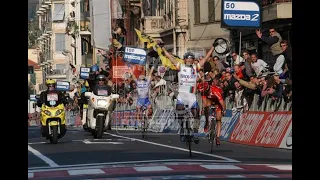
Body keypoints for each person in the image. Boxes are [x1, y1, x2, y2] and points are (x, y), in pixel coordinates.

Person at [160, 41, 215, 136]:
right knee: (180, 113)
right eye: (187, 59)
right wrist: (163, 48)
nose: (189, 61)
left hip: (191, 96)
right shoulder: (180, 67)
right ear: (184, 60)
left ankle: (195, 129)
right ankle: (182, 127)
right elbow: (170, 57)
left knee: (196, 113)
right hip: (181, 95)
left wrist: (213, 48)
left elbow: (206, 58)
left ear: (193, 60)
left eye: (191, 59)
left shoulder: (195, 68)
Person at [207, 76, 226, 146]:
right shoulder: (204, 90)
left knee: (218, 119)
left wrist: (224, 110)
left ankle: (217, 137)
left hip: (218, 102)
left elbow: (222, 102)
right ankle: (209, 128)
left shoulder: (216, 90)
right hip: (211, 102)